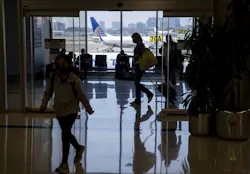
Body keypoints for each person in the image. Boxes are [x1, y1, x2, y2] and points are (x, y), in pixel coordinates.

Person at [40, 54, 94, 174]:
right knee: (66, 132)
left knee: (65, 133)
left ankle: (64, 163)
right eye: (58, 64)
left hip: (71, 109)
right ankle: (79, 148)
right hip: (59, 109)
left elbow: (81, 95)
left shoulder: (74, 80)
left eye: (63, 64)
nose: (60, 66)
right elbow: (48, 92)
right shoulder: (53, 78)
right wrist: (43, 104)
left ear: (69, 64)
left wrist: (88, 108)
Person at [130, 33, 154, 108]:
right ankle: (139, 99)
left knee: (136, 83)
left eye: (133, 38)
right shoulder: (140, 44)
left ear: (136, 38)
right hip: (139, 66)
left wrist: (136, 60)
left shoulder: (139, 45)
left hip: (139, 66)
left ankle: (147, 95)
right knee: (137, 83)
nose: (132, 40)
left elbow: (139, 56)